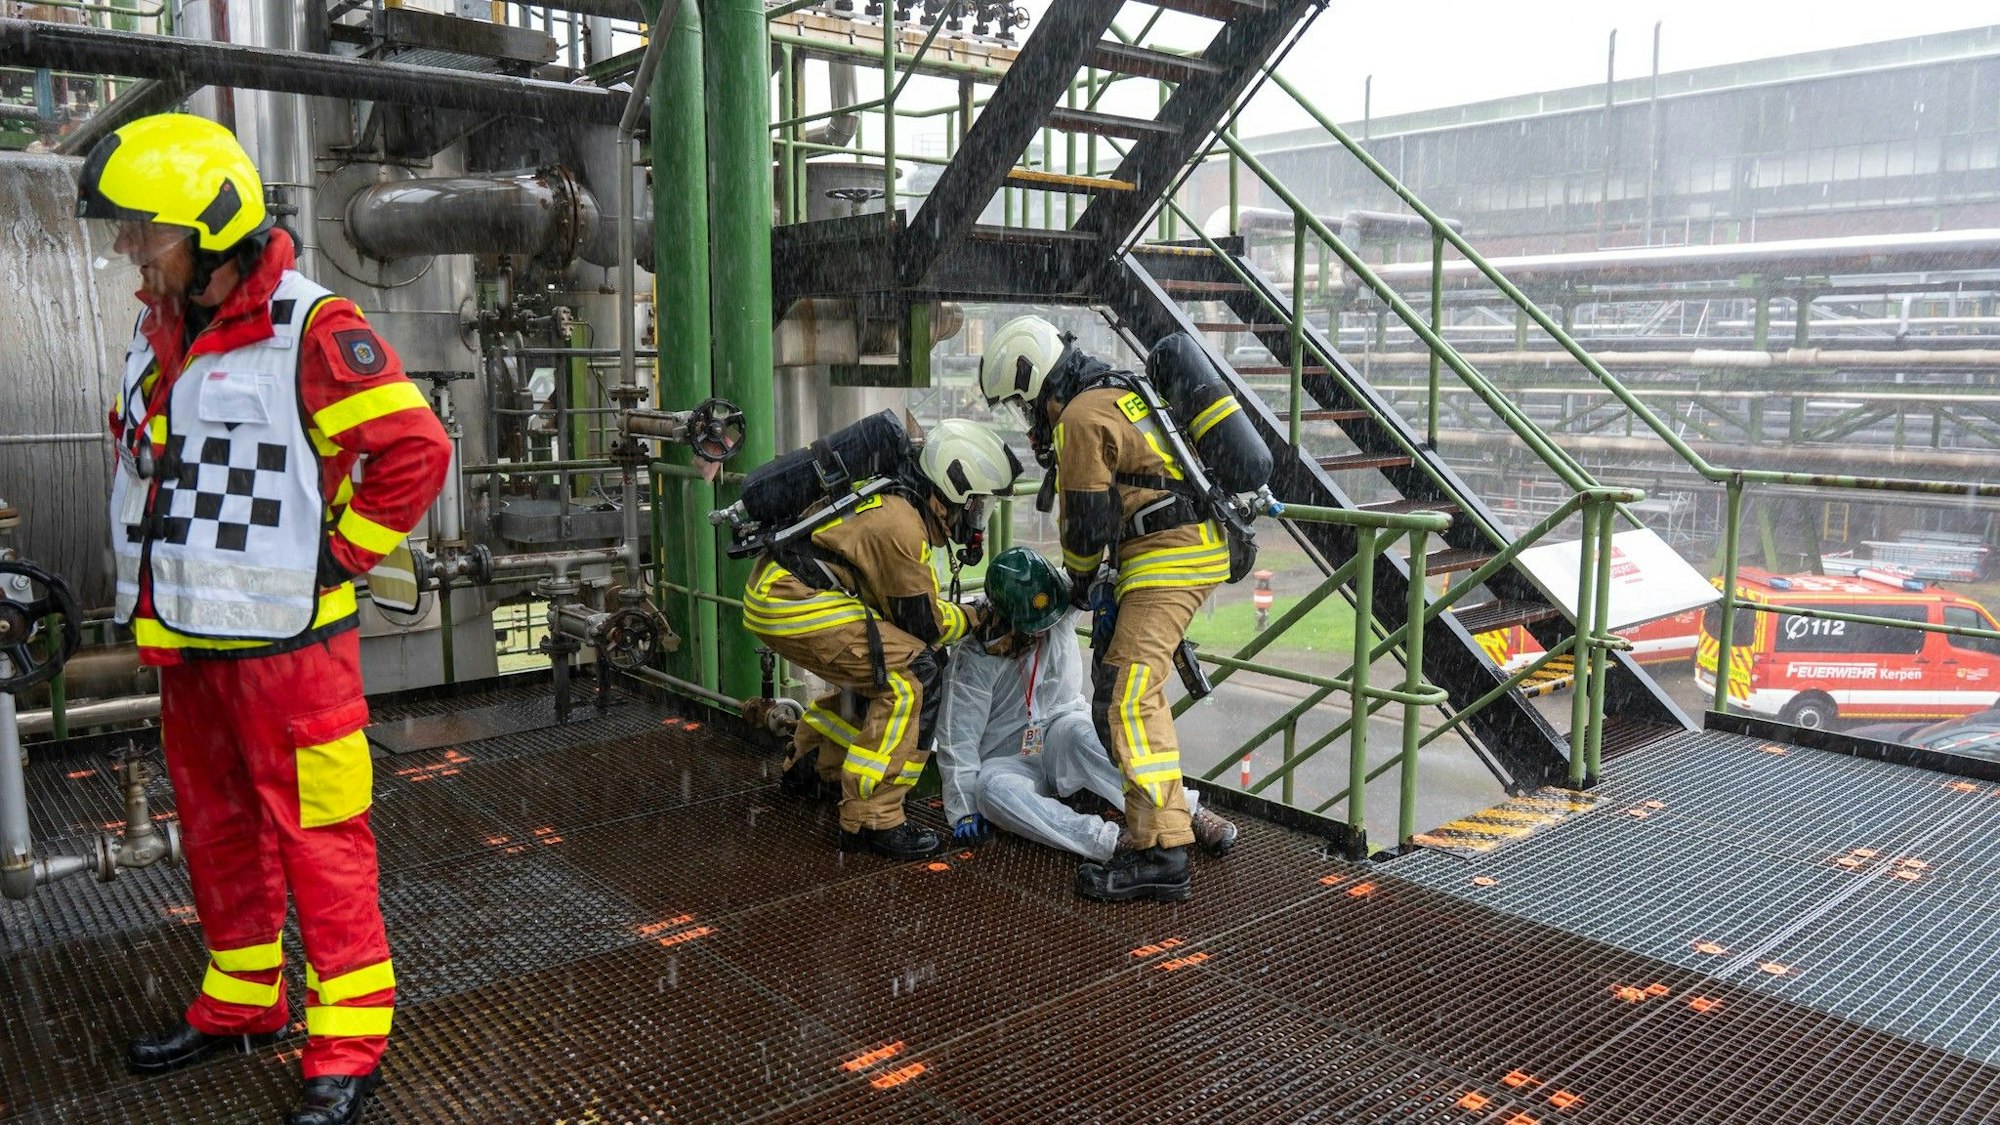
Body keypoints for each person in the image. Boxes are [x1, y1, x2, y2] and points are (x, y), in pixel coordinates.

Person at [79, 114, 452, 1125]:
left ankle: (346, 1047)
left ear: (208, 228)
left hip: (290, 652)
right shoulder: (155, 333)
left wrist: (338, 555)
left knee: (320, 842)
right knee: (216, 828)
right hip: (189, 644)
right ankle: (243, 1002)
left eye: (140, 229)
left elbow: (415, 452)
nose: (125, 247)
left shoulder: (311, 328)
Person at [980, 316, 1231, 903]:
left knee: (1127, 695)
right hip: (1187, 545)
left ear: (1036, 379)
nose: (1031, 419)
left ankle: (1163, 853)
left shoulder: (1078, 418)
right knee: (1126, 691)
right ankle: (1169, 826)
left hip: (1168, 556)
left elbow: (1085, 530)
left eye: (1024, 403)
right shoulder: (1118, 393)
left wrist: (1078, 582)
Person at [745, 418, 1020, 861]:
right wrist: (977, 618)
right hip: (794, 603)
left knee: (882, 666)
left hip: (778, 593)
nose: (976, 521)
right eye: (975, 507)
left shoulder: (892, 498)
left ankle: (816, 764)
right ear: (949, 490)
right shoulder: (901, 523)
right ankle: (873, 817)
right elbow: (924, 625)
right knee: (916, 676)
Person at [936, 548, 1237, 867]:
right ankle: (1110, 842)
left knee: (1084, 732)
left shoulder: (1059, 595)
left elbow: (1107, 571)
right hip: (1006, 758)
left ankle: (1185, 811)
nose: (1042, 631)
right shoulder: (973, 659)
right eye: (1031, 626)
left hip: (1059, 730)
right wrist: (964, 809)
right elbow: (959, 739)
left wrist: (1113, 592)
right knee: (991, 792)